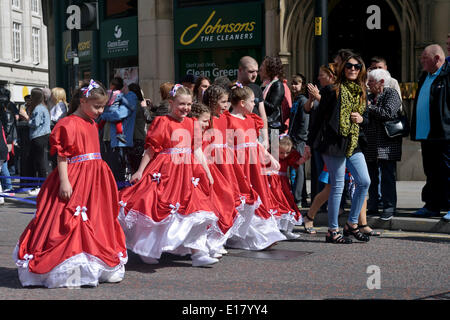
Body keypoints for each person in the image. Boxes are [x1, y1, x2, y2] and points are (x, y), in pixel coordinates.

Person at [13, 80, 128, 288]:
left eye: (103, 107)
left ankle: (96, 264)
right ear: (82, 101)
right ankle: (67, 267)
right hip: (75, 176)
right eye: (97, 106)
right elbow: (62, 157)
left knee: (94, 219)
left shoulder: (92, 123)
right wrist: (65, 182)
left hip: (94, 178)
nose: (100, 111)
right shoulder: (67, 123)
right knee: (70, 219)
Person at [118, 84, 220, 267]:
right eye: (181, 104)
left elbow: (196, 150)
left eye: (189, 104)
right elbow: (151, 149)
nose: (186, 108)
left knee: (196, 210)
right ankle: (147, 248)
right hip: (165, 171)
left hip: (188, 172)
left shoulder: (192, 123)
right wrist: (141, 170)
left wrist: (207, 171)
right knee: (159, 208)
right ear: (171, 103)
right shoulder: (162, 122)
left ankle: (198, 252)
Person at [306, 53, 371, 244]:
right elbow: (318, 119)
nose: (352, 69)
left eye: (357, 66)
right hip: (333, 143)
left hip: (353, 142)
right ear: (343, 68)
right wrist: (309, 145)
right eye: (349, 66)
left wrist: (362, 119)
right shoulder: (331, 90)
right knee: (338, 186)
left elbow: (365, 118)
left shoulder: (361, 92)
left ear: (361, 70)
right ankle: (332, 231)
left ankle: (351, 224)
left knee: (364, 181)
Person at [223, 83, 287, 250]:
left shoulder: (251, 119)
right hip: (240, 165)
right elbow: (227, 147)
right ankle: (244, 235)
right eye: (253, 101)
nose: (255, 104)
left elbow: (256, 144)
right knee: (245, 198)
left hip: (254, 166)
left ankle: (266, 233)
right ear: (242, 103)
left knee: (260, 195)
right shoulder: (229, 120)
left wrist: (269, 158)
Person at [410, 44, 449, 221]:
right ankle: (432, 205)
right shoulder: (425, 76)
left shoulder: (447, 76)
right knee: (431, 171)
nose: (421, 60)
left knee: (447, 171)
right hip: (427, 134)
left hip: (444, 133)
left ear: (437, 59)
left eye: (425, 57)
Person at [365, 68, 403, 220]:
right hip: (371, 143)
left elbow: (388, 113)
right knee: (371, 177)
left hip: (387, 143)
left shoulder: (391, 93)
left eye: (371, 81)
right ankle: (373, 206)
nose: (368, 84)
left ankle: (389, 207)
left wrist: (369, 107)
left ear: (381, 82)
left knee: (387, 176)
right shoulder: (369, 96)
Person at [266, 135, 310, 239]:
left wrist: (304, 158)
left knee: (287, 205)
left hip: (283, 184)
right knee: (275, 206)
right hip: (272, 185)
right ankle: (274, 230)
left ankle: (286, 230)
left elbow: (296, 162)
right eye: (282, 153)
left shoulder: (288, 158)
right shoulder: (270, 155)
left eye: (287, 153)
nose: (284, 155)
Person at [98, 82, 138, 183]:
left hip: (120, 143)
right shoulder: (113, 96)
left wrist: (103, 115)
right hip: (108, 140)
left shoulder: (130, 97)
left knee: (118, 174)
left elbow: (119, 114)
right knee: (109, 173)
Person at [19, 88, 51, 196]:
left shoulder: (38, 108)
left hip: (38, 136)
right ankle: (41, 185)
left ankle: (41, 186)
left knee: (38, 162)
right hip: (43, 136)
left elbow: (35, 123)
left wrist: (26, 118)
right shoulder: (44, 107)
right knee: (40, 162)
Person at [237, 56, 269, 149]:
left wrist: (265, 138)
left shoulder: (257, 88)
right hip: (239, 138)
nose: (255, 74)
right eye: (251, 71)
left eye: (256, 71)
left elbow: (263, 115)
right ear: (240, 70)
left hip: (257, 136)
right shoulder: (232, 89)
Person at [288, 73, 310, 207]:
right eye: (292, 83)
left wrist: (299, 139)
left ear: (303, 85)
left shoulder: (302, 101)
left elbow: (304, 121)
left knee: (297, 168)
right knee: (296, 167)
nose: (294, 86)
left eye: (297, 83)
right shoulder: (296, 100)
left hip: (299, 140)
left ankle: (298, 199)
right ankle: (300, 195)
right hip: (293, 138)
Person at [260, 56, 286, 133]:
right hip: (264, 126)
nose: (260, 68)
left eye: (263, 66)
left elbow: (272, 107)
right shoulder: (264, 85)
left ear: (270, 69)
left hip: (273, 128)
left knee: (274, 145)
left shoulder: (278, 85)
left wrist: (258, 99)